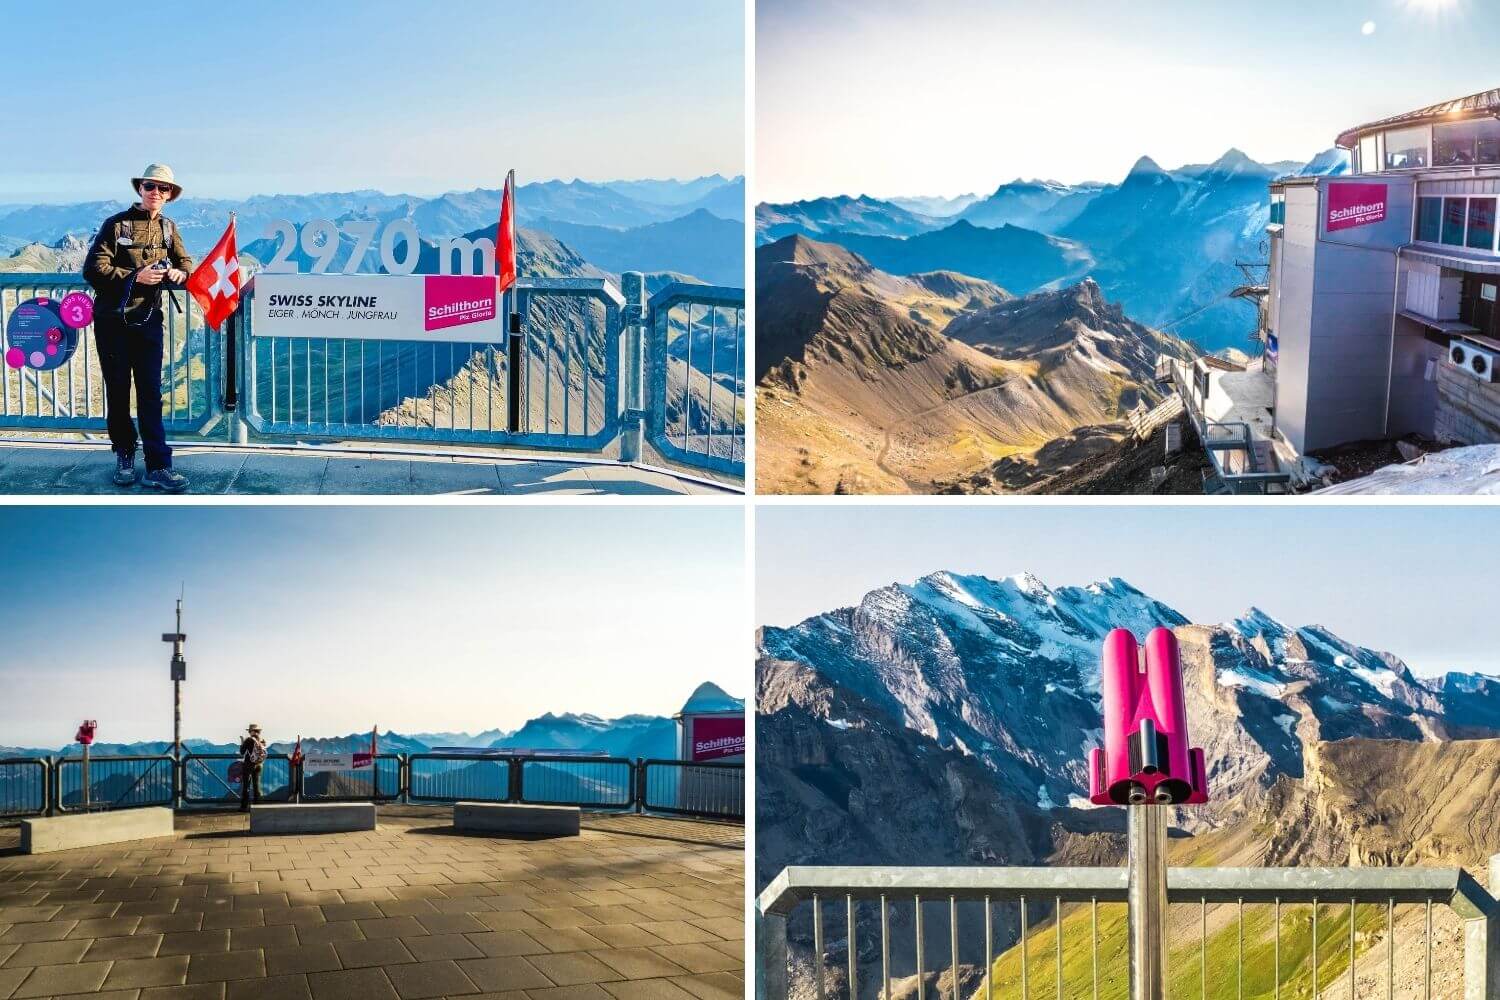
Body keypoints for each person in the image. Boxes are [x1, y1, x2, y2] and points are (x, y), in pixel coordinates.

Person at [83, 164, 194, 493]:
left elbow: (186, 262)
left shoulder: (169, 229)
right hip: (111, 322)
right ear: (140, 189)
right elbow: (93, 268)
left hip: (148, 322)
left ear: (170, 195)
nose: (156, 192)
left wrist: (179, 273)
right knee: (118, 392)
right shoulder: (116, 225)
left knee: (150, 394)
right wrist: (136, 277)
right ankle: (125, 455)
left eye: (163, 188)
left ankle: (159, 466)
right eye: (150, 186)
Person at [238, 723, 268, 811]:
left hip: (248, 764)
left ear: (251, 731)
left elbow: (242, 752)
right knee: (257, 785)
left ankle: (244, 806)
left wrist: (242, 742)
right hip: (259, 764)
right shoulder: (262, 740)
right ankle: (258, 806)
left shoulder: (249, 740)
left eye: (249, 731)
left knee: (246, 786)